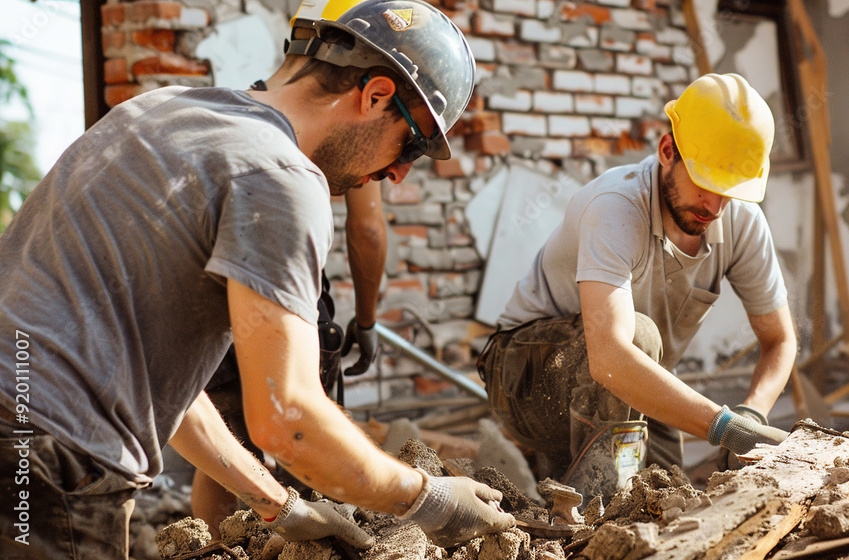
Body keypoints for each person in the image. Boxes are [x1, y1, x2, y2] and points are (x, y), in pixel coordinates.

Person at [0, 0, 514, 557]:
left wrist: (278, 503)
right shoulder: (280, 176)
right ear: (376, 95)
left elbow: (160, 390)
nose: (398, 172)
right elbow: (288, 420)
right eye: (412, 143)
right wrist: (429, 497)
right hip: (50, 466)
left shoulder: (159, 112)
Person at [478, 73, 797, 500]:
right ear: (667, 151)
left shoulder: (739, 221)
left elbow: (779, 340)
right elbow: (609, 357)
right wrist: (723, 427)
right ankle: (590, 515)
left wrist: (750, 415)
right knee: (639, 341)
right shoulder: (616, 207)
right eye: (705, 184)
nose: (715, 207)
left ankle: (590, 493)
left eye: (730, 191)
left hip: (635, 374)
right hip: (522, 374)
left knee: (668, 497)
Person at [189, 0, 390, 537]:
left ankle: (213, 545)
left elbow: (179, 404)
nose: (393, 172)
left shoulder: (217, 113)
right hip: (279, 289)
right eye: (404, 151)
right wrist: (365, 323)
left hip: (28, 395)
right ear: (372, 92)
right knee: (300, 438)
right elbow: (367, 230)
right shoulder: (295, 166)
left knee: (226, 430)